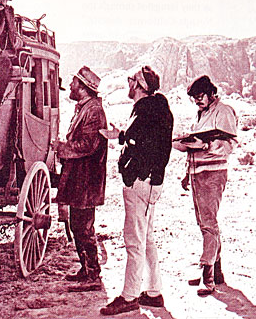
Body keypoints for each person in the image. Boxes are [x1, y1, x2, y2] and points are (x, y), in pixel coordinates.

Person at [99, 66, 174, 315]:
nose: (128, 84)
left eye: (130, 80)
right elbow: (143, 140)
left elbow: (145, 146)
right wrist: (121, 135)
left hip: (141, 183)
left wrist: (136, 173)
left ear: (139, 85)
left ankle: (129, 296)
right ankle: (154, 292)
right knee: (147, 238)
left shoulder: (147, 111)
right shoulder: (156, 109)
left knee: (134, 241)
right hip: (149, 183)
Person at [172, 75, 237, 296]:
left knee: (209, 224)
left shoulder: (224, 111)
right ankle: (217, 272)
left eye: (199, 97)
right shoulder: (201, 114)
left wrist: (206, 144)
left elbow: (230, 144)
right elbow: (193, 146)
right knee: (204, 223)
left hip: (213, 174)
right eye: (194, 98)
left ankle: (207, 276)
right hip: (197, 173)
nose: (197, 102)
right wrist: (185, 171)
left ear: (211, 93)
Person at [51, 66, 108, 287]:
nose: (71, 85)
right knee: (77, 226)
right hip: (80, 178)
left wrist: (63, 148)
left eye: (75, 82)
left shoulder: (93, 111)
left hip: (86, 179)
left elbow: (89, 145)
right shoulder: (85, 108)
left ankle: (93, 275)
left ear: (83, 88)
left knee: (84, 227)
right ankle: (86, 270)